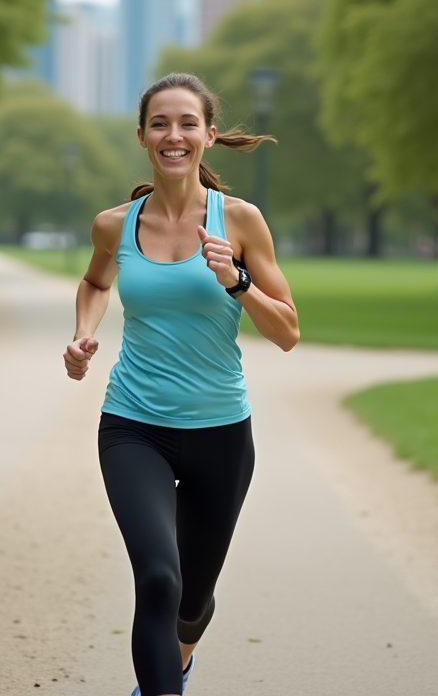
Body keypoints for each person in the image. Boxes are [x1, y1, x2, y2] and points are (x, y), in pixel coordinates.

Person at [62, 72, 299, 696]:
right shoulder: (114, 225)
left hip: (220, 433)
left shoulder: (240, 221)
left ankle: (177, 663)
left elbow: (288, 331)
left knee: (191, 603)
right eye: (160, 123)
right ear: (142, 136)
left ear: (209, 135)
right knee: (159, 581)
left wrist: (238, 282)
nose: (174, 135)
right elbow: (95, 282)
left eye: (188, 123)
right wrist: (84, 333)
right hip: (133, 427)